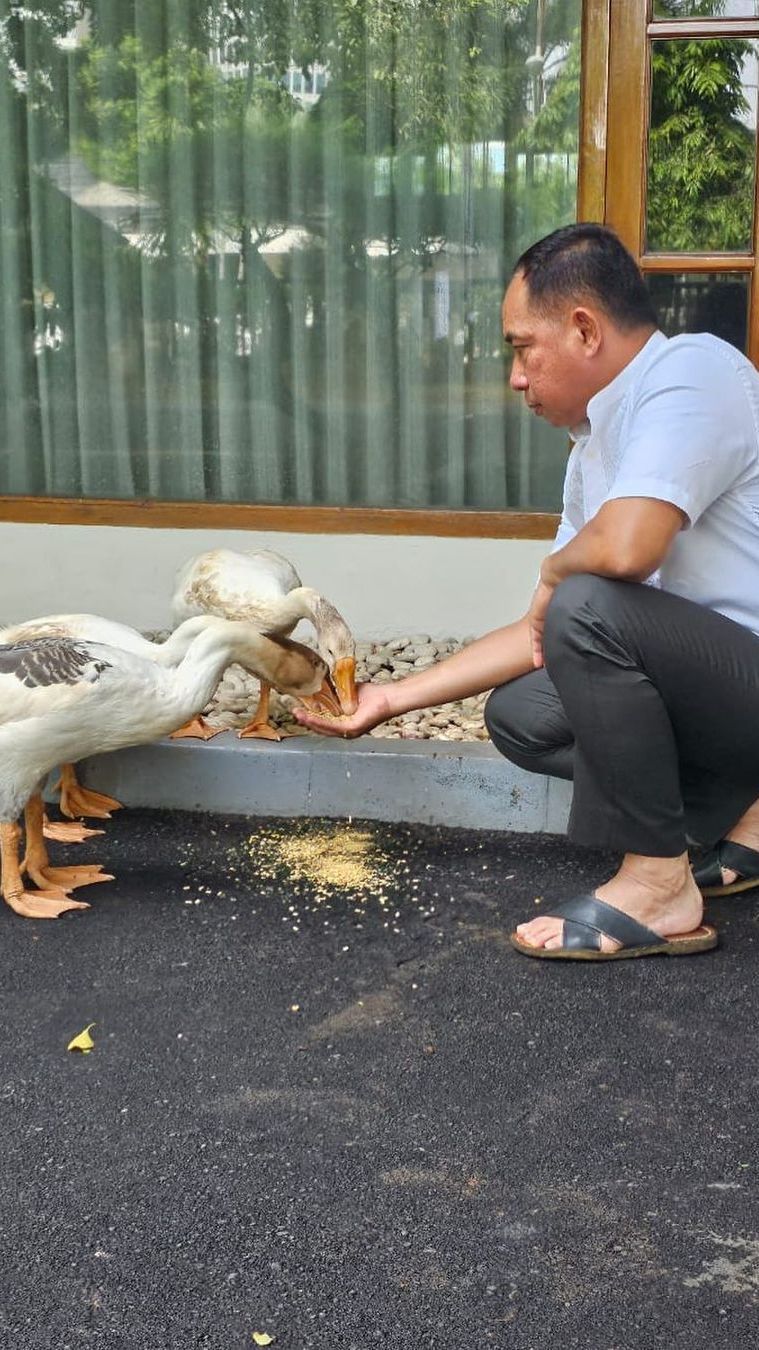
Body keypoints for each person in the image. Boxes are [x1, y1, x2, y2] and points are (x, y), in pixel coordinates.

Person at [296, 221, 759, 963]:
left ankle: (658, 885)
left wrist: (554, 574)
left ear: (582, 329)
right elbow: (541, 634)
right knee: (521, 714)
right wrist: (392, 697)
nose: (514, 377)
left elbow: (623, 557)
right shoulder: (595, 446)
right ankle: (742, 808)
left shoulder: (691, 372)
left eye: (520, 348)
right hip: (723, 690)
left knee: (585, 602)